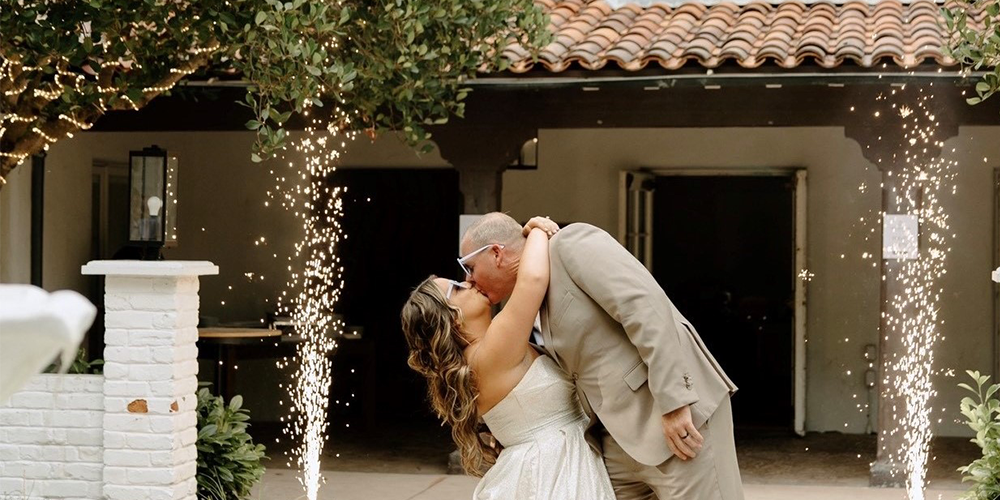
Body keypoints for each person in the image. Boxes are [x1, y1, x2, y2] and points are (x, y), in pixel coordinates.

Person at [460, 213, 743, 500]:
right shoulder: (533, 292)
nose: (469, 279)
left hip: (675, 420)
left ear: (496, 252)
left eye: (469, 267)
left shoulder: (572, 244)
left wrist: (675, 403)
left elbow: (645, 308)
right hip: (615, 443)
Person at [401, 220, 615, 499]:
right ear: (451, 318)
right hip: (552, 471)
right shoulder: (492, 351)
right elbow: (533, 279)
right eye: (457, 287)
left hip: (537, 468)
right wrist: (536, 227)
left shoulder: (480, 357)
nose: (468, 281)